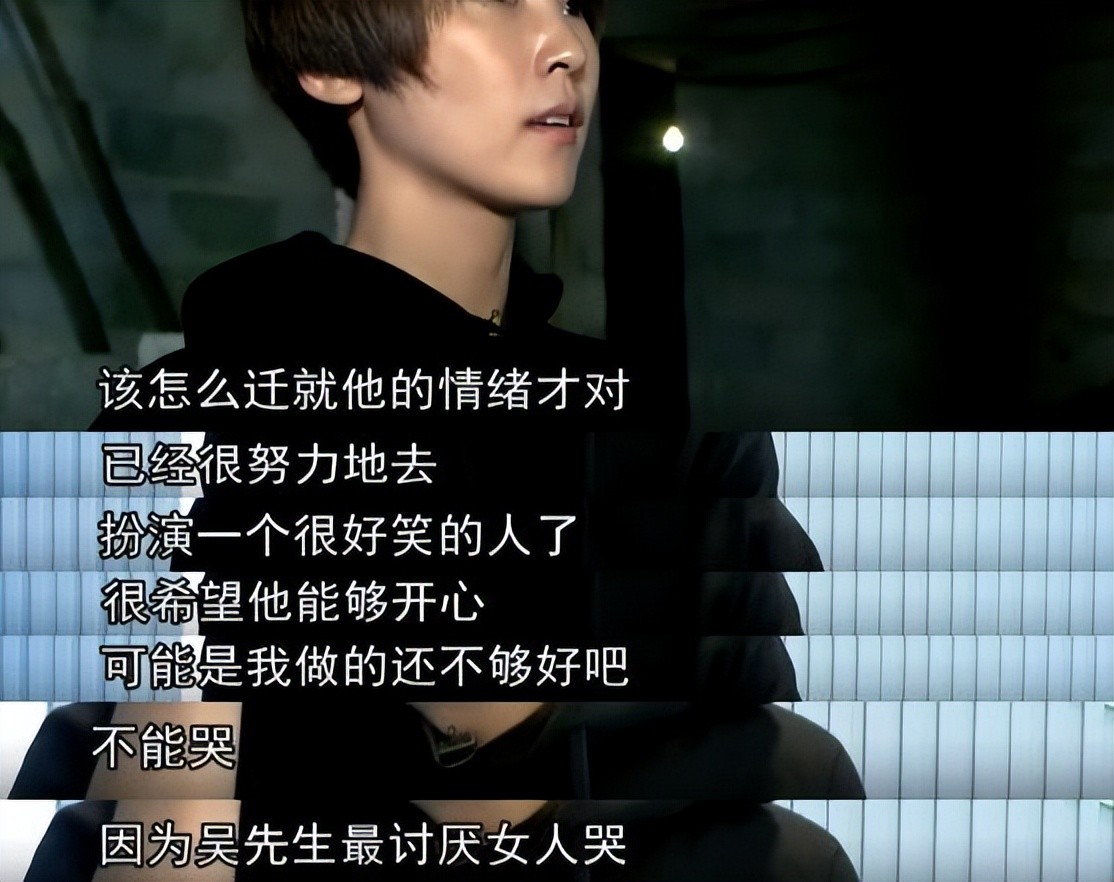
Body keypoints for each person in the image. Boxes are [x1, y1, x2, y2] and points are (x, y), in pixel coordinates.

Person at [22, 1, 860, 878]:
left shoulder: (650, 427)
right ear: (330, 64)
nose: (565, 46)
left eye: (572, 5)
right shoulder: (201, 422)